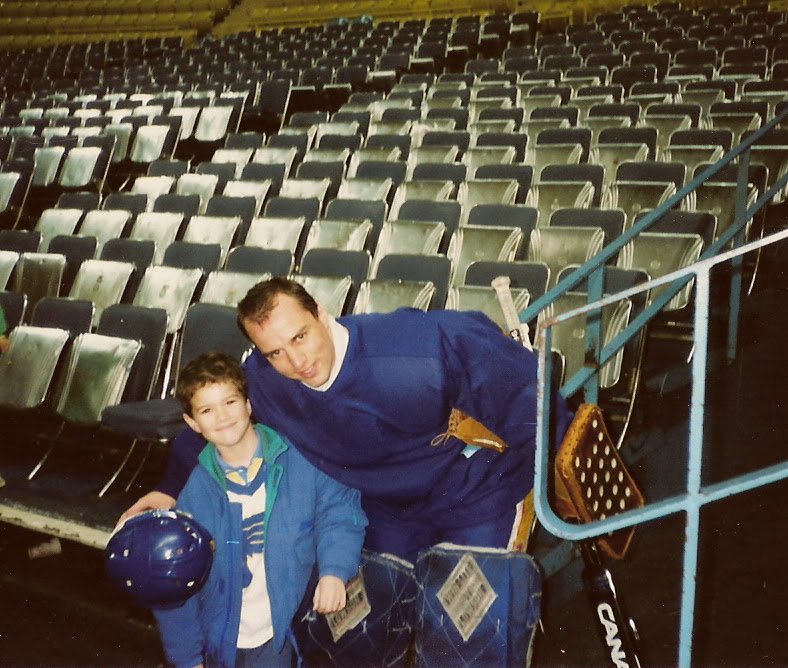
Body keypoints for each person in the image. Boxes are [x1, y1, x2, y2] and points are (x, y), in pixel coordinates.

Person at [122, 277, 573, 563]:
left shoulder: (417, 349)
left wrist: (562, 466)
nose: (297, 361)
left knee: (472, 626)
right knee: (373, 623)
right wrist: (170, 486)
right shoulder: (264, 379)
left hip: (477, 489)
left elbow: (525, 392)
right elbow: (223, 426)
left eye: (300, 336)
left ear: (320, 312)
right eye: (275, 351)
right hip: (386, 506)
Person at [151, 350, 367, 668]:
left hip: (277, 635)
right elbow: (176, 583)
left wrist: (334, 571)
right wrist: (187, 658)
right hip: (220, 637)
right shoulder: (195, 495)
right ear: (192, 423)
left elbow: (337, 511)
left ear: (248, 404)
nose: (222, 417)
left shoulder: (298, 460)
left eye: (230, 402)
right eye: (207, 410)